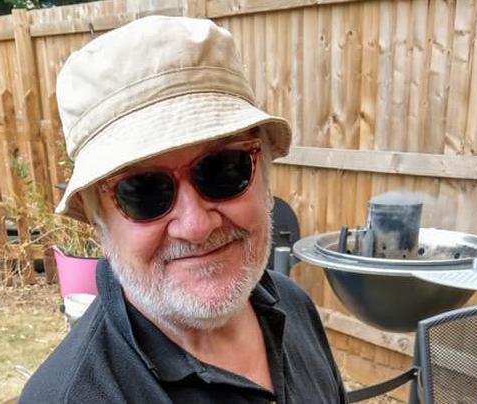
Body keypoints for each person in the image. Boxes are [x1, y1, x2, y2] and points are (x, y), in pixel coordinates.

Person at [21, 15, 346, 403]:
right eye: (142, 190)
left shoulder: (294, 306)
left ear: (265, 176)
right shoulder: (71, 396)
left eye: (224, 169)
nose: (195, 225)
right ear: (97, 218)